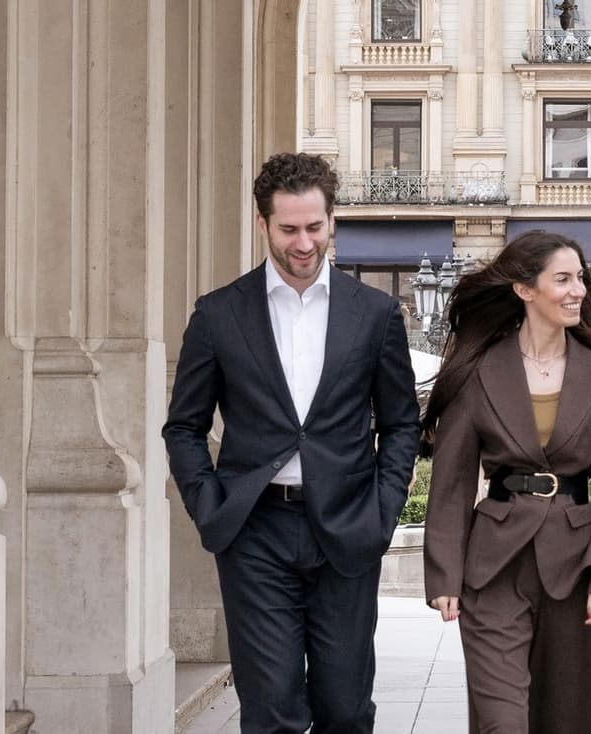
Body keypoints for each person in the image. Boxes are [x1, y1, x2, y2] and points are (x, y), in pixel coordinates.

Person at [162, 152, 419, 733]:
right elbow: (183, 427)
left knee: (345, 709)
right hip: (255, 532)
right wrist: (210, 504)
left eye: (314, 227)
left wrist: (383, 510)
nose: (303, 244)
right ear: (262, 225)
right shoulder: (218, 314)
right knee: (271, 709)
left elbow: (402, 424)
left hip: (348, 529)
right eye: (288, 229)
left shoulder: (375, 314)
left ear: (332, 221)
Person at [421, 230, 591, 733]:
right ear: (525, 290)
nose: (579, 291)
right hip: (493, 568)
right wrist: (444, 574)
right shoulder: (477, 370)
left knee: (570, 719)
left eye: (581, 279)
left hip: (578, 570)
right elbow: (451, 482)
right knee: (502, 722)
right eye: (563, 279)